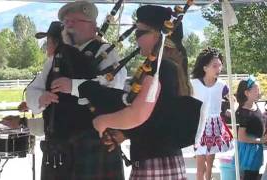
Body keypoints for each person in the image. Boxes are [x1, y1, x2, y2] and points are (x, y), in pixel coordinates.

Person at [89, 5, 201, 180]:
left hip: (155, 164)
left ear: (158, 35)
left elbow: (140, 114)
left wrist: (103, 121)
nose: (136, 39)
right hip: (163, 161)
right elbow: (157, 117)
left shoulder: (160, 68)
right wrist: (125, 134)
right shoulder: (170, 66)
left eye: (140, 32)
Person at [26, 1, 126, 179]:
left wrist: (72, 86)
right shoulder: (57, 56)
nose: (69, 25)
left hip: (93, 143)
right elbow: (33, 90)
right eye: (66, 21)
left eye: (75, 21)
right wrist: (41, 98)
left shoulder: (105, 53)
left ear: (93, 27)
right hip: (57, 147)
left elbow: (112, 89)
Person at [190, 47, 233, 180]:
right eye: (214, 66)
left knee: (210, 165)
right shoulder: (193, 84)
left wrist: (232, 108)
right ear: (205, 68)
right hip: (199, 125)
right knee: (200, 166)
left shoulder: (222, 85)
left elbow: (232, 99)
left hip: (215, 125)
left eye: (220, 65)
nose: (218, 69)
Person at [235, 76, 267, 180]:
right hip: (248, 152)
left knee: (255, 175)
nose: (259, 92)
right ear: (247, 93)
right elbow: (241, 137)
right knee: (249, 176)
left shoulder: (254, 105)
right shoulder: (244, 112)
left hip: (255, 149)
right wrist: (259, 140)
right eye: (256, 90)